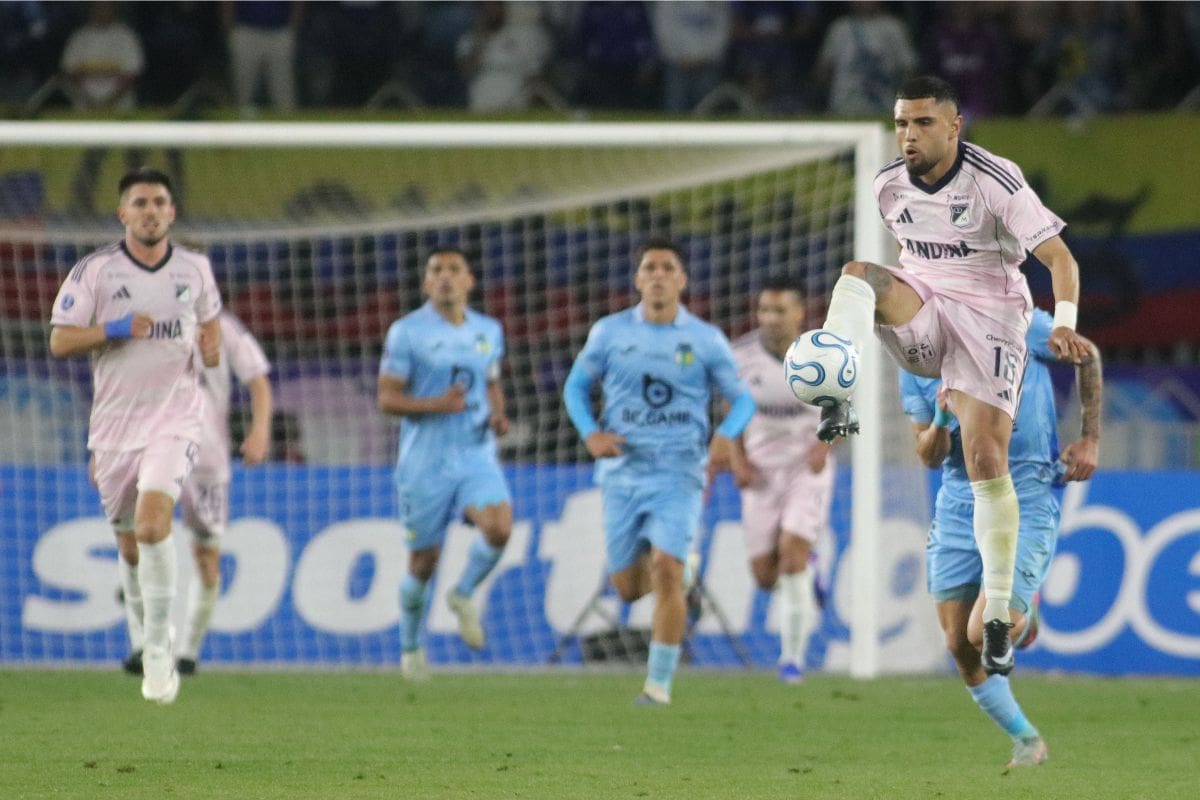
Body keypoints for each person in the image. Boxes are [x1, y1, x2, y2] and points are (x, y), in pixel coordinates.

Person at [804, 75, 1092, 678]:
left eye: (924, 123)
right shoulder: (887, 187)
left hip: (992, 321)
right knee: (860, 272)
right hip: (930, 311)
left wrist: (1063, 322)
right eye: (902, 123)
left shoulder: (995, 179)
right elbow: (909, 265)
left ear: (955, 124)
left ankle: (1000, 616)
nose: (909, 135)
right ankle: (836, 391)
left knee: (987, 457)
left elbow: (1061, 258)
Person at [900, 306, 1102, 767]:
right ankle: (1028, 739)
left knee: (981, 630)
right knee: (957, 642)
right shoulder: (912, 358)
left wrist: (1090, 438)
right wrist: (939, 419)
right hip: (957, 505)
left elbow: (1086, 354)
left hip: (1025, 494)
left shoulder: (1013, 321)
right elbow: (928, 455)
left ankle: (1023, 614)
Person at [49, 167, 222, 705]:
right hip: (115, 428)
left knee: (152, 527)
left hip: (176, 419)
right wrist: (115, 330)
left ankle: (156, 653)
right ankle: (145, 632)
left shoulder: (195, 269)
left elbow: (209, 318)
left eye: (160, 202)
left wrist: (210, 346)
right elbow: (60, 341)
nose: (151, 210)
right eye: (140, 202)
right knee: (128, 546)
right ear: (123, 213)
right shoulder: (94, 272)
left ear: (171, 213)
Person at [563, 238, 756, 705]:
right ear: (637, 279)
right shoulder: (609, 333)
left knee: (667, 571)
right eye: (649, 267)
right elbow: (575, 386)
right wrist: (590, 433)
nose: (657, 275)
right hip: (623, 472)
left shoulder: (705, 339)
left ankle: (658, 685)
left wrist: (726, 434)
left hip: (679, 471)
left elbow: (744, 399)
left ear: (682, 281)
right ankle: (676, 570)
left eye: (667, 267)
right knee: (628, 590)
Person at [377, 248, 513, 680]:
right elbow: (387, 398)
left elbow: (490, 382)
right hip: (425, 461)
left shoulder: (489, 330)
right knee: (422, 562)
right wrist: (436, 404)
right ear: (425, 283)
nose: (445, 277)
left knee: (499, 527)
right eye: (436, 270)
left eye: (455, 269)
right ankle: (412, 648)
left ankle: (464, 592)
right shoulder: (407, 333)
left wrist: (498, 413)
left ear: (470, 281)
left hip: (475, 452)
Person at [119, 309, 272, 678]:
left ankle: (188, 653)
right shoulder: (146, 323)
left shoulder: (227, 327)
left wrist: (260, 430)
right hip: (149, 446)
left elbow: (258, 380)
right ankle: (143, 646)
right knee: (134, 542)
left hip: (207, 458)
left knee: (206, 558)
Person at [730, 276, 834, 684]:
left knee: (790, 558)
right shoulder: (740, 357)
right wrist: (737, 458)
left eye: (779, 310)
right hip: (760, 472)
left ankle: (792, 660)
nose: (770, 318)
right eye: (765, 310)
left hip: (806, 469)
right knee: (764, 576)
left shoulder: (824, 355)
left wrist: (824, 446)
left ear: (799, 313)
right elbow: (731, 410)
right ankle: (812, 567)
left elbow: (843, 411)